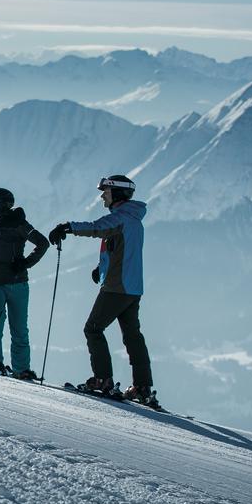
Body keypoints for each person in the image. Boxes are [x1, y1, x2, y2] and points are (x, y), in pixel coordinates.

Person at [49, 174, 159, 408]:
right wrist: (101, 267)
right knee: (133, 336)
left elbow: (98, 228)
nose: (102, 196)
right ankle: (142, 387)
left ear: (117, 194)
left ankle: (103, 380)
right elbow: (121, 249)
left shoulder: (121, 218)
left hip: (116, 288)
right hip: (132, 288)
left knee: (93, 329)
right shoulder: (133, 219)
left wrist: (67, 227)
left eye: (105, 192)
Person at [0, 187, 49, 379]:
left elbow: (43, 243)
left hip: (17, 283)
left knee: (19, 327)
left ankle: (21, 369)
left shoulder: (19, 224)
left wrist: (26, 263)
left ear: (0, 204)